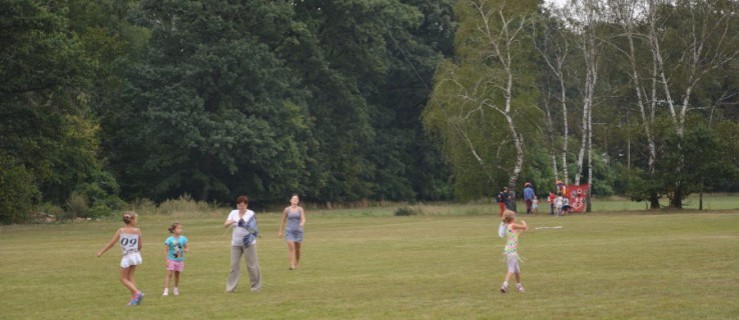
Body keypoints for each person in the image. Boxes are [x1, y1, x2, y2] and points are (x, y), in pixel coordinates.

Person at [97, 211, 145, 306]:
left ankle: (137, 293)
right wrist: (135, 250)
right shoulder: (137, 230)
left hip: (127, 256)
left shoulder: (121, 231)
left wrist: (101, 252)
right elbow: (140, 246)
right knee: (130, 276)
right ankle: (134, 299)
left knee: (123, 278)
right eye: (136, 219)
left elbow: (111, 243)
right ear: (132, 221)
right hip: (135, 255)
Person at [224, 195, 261, 292]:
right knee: (233, 266)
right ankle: (231, 288)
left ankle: (255, 287)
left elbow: (253, 229)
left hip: (248, 243)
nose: (240, 207)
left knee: (252, 266)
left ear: (246, 205)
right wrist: (232, 221)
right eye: (239, 205)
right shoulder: (233, 213)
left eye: (242, 205)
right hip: (235, 243)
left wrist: (244, 224)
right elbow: (225, 225)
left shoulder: (250, 213)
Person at [499, 210, 528, 293]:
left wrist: (522, 230)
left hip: (510, 250)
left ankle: (519, 286)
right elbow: (524, 226)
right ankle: (504, 285)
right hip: (511, 251)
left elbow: (516, 235)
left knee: (517, 270)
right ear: (512, 218)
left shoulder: (508, 226)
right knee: (511, 269)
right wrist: (524, 223)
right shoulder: (513, 225)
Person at [279, 194, 306, 270]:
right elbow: (283, 221)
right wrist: (280, 231)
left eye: (296, 199)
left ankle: (297, 262)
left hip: (298, 231)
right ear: (290, 200)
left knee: (297, 249)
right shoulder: (287, 209)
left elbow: (303, 219)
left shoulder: (300, 209)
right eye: (294, 198)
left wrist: (302, 223)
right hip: (289, 231)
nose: (295, 200)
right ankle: (292, 265)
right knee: (291, 247)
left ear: (298, 201)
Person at [163, 222, 189, 296]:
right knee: (169, 274)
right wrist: (166, 260)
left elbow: (187, 247)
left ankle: (175, 289)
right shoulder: (169, 239)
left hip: (179, 260)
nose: (180, 230)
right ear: (173, 230)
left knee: (177, 275)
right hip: (171, 259)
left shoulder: (183, 238)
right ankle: (166, 290)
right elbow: (166, 250)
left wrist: (186, 249)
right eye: (178, 228)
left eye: (181, 228)